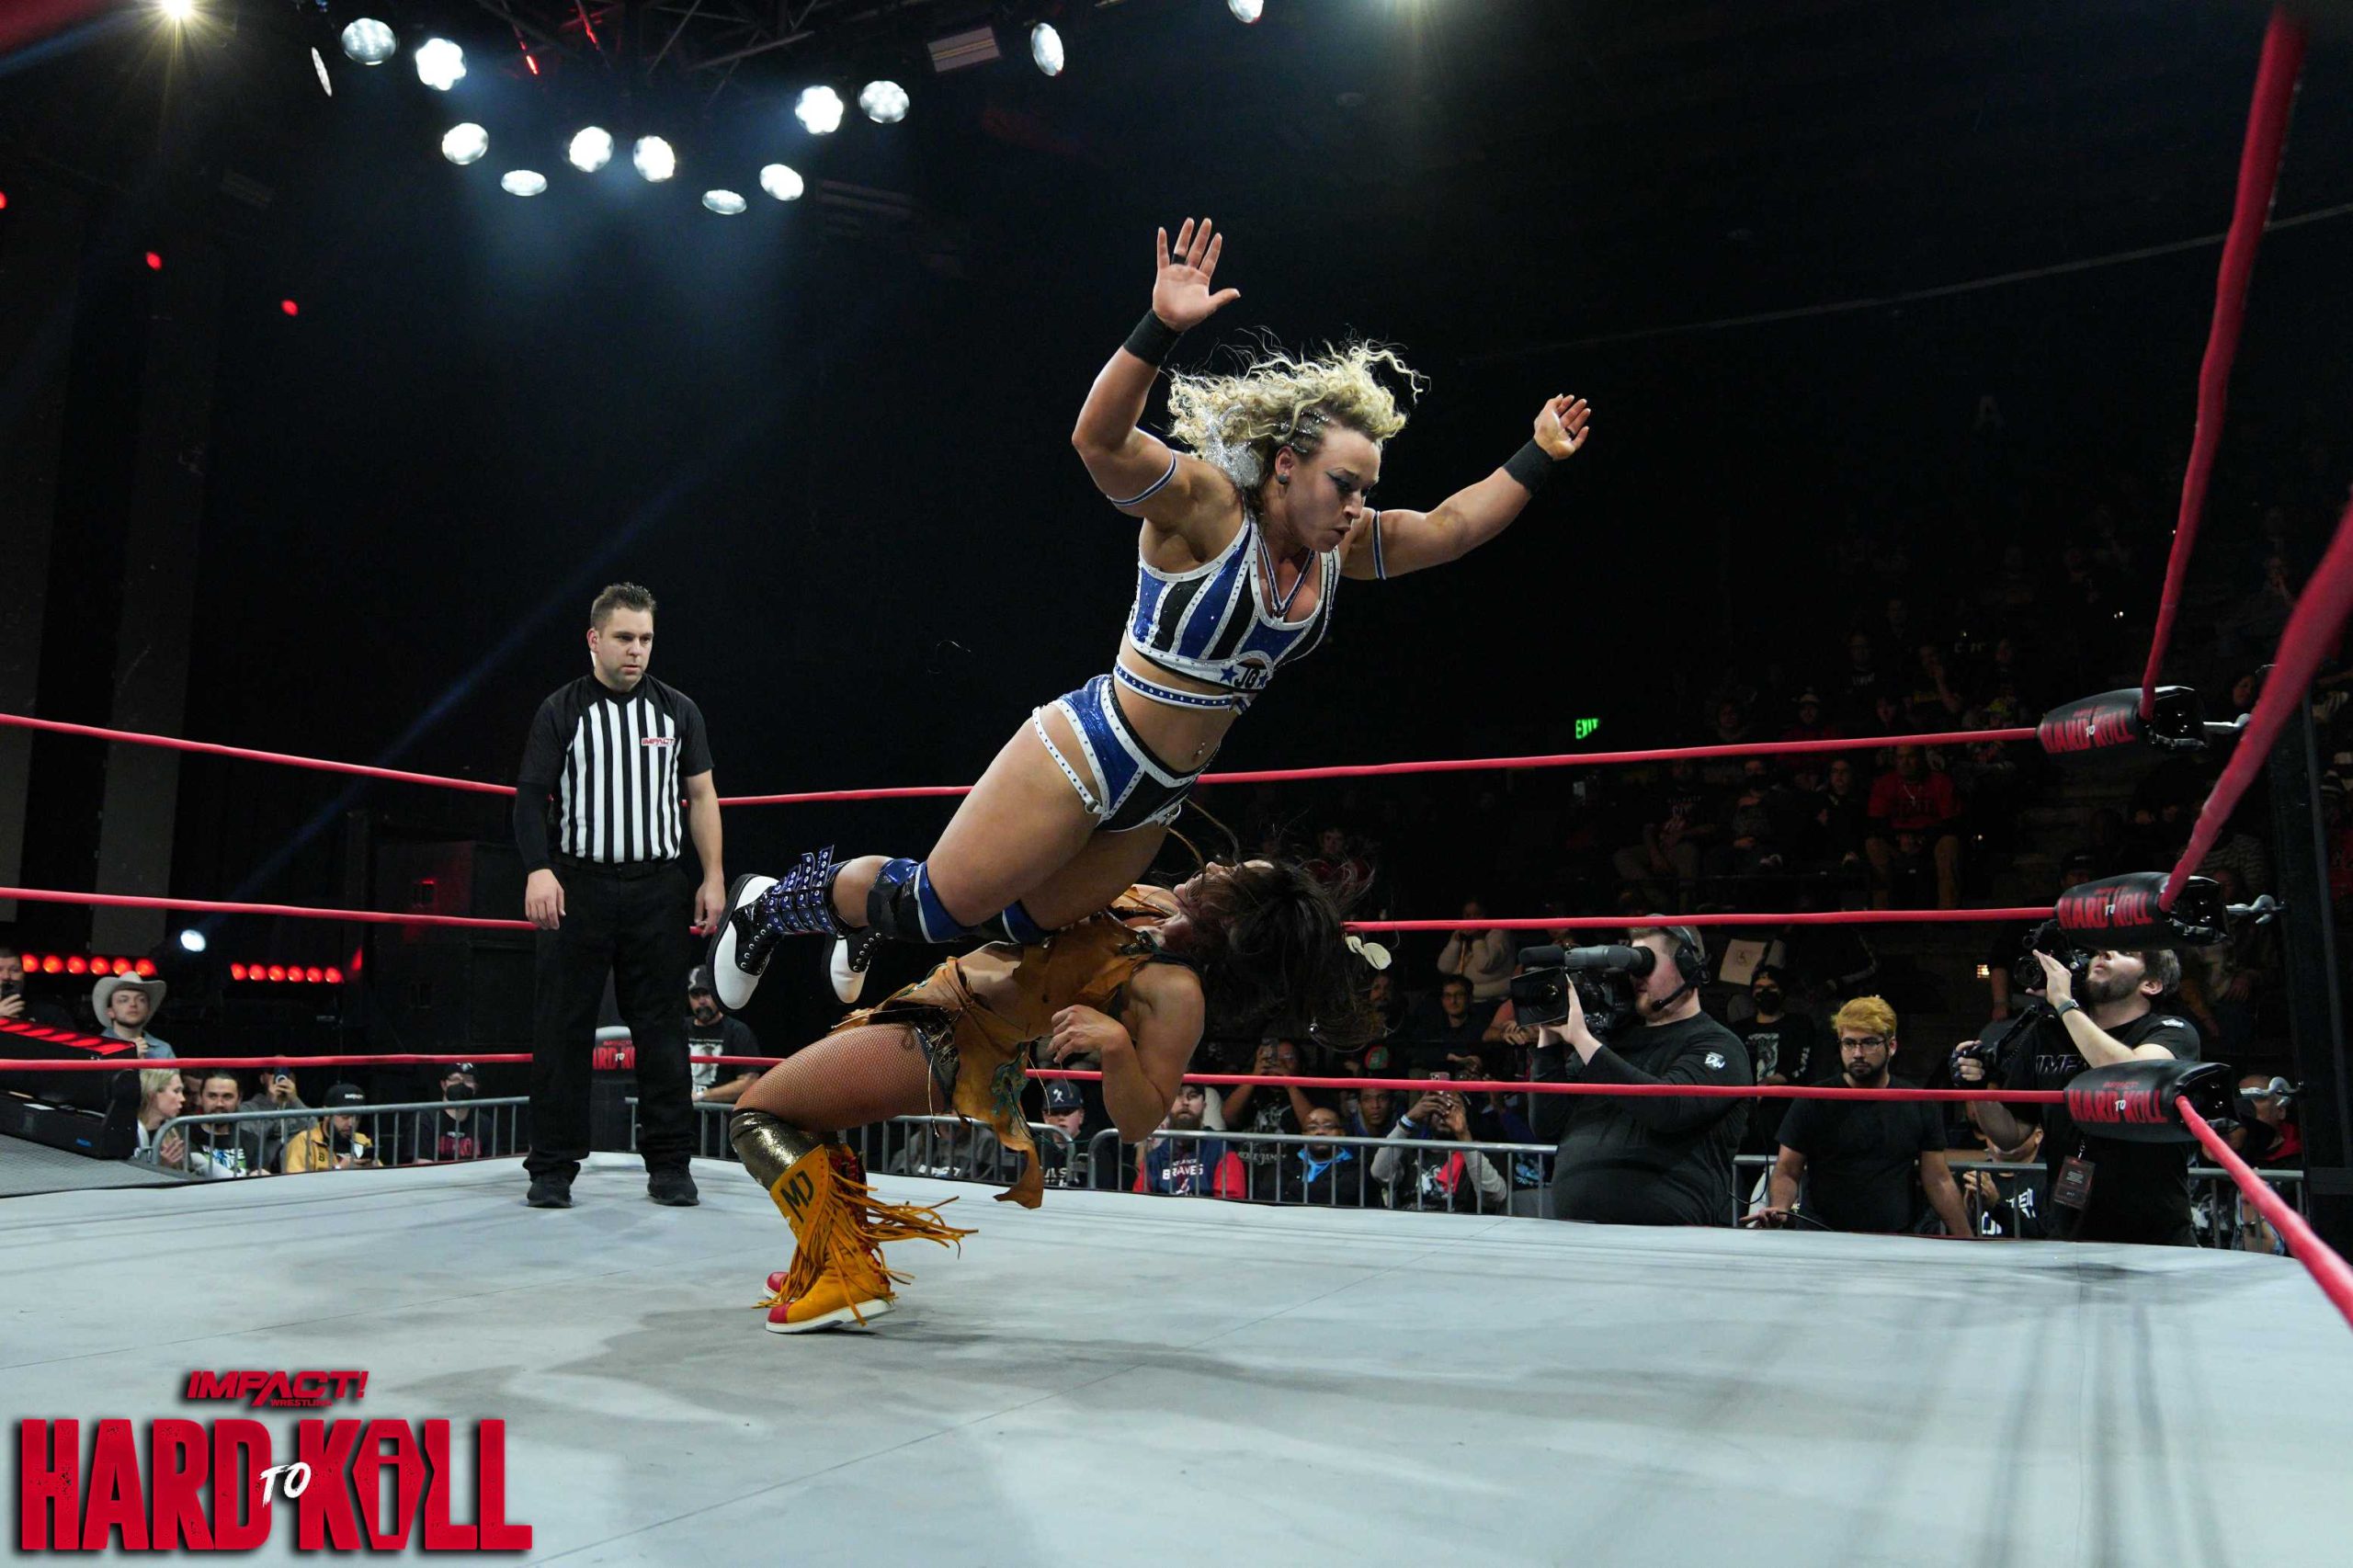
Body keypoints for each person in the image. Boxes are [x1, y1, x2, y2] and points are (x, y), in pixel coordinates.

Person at [711, 216, 1593, 1012]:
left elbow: (1452, 528)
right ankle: (770, 906)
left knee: (1018, 923)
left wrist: (1539, 454)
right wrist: (1160, 327)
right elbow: (1097, 442)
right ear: (1287, 463)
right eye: (1344, 483)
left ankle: (867, 914)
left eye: (1367, 489)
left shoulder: (1341, 549)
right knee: (942, 907)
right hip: (1091, 749)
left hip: (1161, 792)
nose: (1357, 504)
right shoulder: (1208, 510)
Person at [722, 858, 1371, 1332]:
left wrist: (1115, 1048)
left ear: (1234, 921)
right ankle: (832, 1258)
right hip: (939, 1001)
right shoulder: (1149, 898)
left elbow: (1141, 1120)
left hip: (951, 1043)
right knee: (808, 1116)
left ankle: (849, 1275)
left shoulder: (1177, 993)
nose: (1214, 866)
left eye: (1232, 877)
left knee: (759, 1115)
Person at [514, 582, 724, 1210]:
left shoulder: (678, 710)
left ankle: (670, 1165)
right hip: (577, 885)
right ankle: (552, 1168)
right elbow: (530, 796)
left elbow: (702, 795)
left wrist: (713, 875)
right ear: (595, 639)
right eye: (625, 638)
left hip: (657, 887)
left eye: (646, 639)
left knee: (662, 1030)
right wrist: (538, 869)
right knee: (562, 1027)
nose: (637, 650)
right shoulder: (561, 709)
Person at [1956, 948, 2201, 1245]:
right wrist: (1979, 1088)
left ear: (2151, 984)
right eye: (2100, 950)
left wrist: (2064, 1001)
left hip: (2154, 1232)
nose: (2105, 953)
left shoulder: (2172, 1032)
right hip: (2072, 1229)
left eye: (2126, 952)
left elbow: (2131, 1076)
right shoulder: (2049, 1034)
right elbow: (2011, 1135)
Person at [1532, 926, 1754, 1226]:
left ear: (1687, 966)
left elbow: (1667, 1109)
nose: (1635, 975)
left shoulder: (1719, 1045)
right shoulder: (1609, 1042)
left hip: (1670, 1236)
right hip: (1575, 1231)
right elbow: (1547, 1124)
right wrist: (1548, 1037)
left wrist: (1583, 1041)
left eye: (1645, 962)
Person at [1756, 997, 1973, 1237]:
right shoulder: (1814, 1099)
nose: (1857, 1053)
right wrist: (1780, 1208)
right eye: (1849, 1043)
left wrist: (1967, 1239)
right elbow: (1787, 1169)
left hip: (1893, 1236)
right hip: (1822, 1235)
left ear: (1891, 1046)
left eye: (1869, 1043)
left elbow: (1938, 1179)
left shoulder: (1917, 1102)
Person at [1732, 965, 1822, 1155]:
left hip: (1784, 1108)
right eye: (1759, 987)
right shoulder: (1739, 1029)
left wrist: (1768, 1083)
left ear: (1782, 991)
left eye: (1771, 987)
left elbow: (1802, 1066)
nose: (1765, 992)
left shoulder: (1799, 1025)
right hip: (1746, 1110)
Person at [686, 966, 762, 1106]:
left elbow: (749, 1082)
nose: (701, 1001)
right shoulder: (679, 1029)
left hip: (718, 1117)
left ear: (717, 994)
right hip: (681, 1116)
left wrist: (702, 1095)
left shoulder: (737, 1031)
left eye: (706, 993)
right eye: (695, 995)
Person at [1280, 1105, 1370, 1206]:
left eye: (1328, 1126)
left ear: (1342, 1133)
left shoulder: (1356, 1167)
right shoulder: (1290, 1163)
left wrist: (1293, 1188)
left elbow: (1340, 1195)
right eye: (1312, 1128)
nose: (1320, 1132)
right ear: (1304, 1135)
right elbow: (1270, 1190)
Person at [185, 1072, 269, 1178]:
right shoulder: (186, 1136)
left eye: (227, 1097)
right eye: (212, 1096)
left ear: (239, 1100)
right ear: (201, 1098)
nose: (219, 1104)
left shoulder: (252, 1141)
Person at [283, 1085, 379, 1173]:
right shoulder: (305, 1141)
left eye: (357, 1117)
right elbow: (296, 1182)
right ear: (326, 1113)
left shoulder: (362, 1141)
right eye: (345, 1116)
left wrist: (373, 1169)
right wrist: (339, 1169)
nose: (351, 1124)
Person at [1437, 903, 1512, 1002]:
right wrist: (1456, 942)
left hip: (1491, 1000)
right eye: (1468, 916)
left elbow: (1484, 965)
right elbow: (1444, 968)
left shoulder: (1499, 933)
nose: (1472, 919)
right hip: (1463, 999)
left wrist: (1478, 938)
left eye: (1478, 915)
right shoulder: (1461, 933)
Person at [238, 1068, 308, 1174]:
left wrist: (295, 1100)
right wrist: (270, 1105)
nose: (280, 1076)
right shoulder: (248, 1108)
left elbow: (315, 1131)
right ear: (262, 1078)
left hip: (295, 1170)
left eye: (286, 1070)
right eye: (272, 1071)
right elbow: (250, 1140)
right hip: (262, 1171)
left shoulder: (299, 1107)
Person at [92, 972, 175, 1058]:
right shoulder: (93, 1050)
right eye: (124, 1000)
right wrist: (130, 1055)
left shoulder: (163, 1050)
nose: (133, 1004)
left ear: (148, 1010)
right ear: (110, 1011)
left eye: (141, 1000)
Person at [125, 1068, 188, 1172]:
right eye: (176, 1091)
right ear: (152, 1092)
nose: (182, 1099)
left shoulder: (177, 1130)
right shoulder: (129, 1132)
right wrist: (160, 1167)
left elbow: (190, 1172)